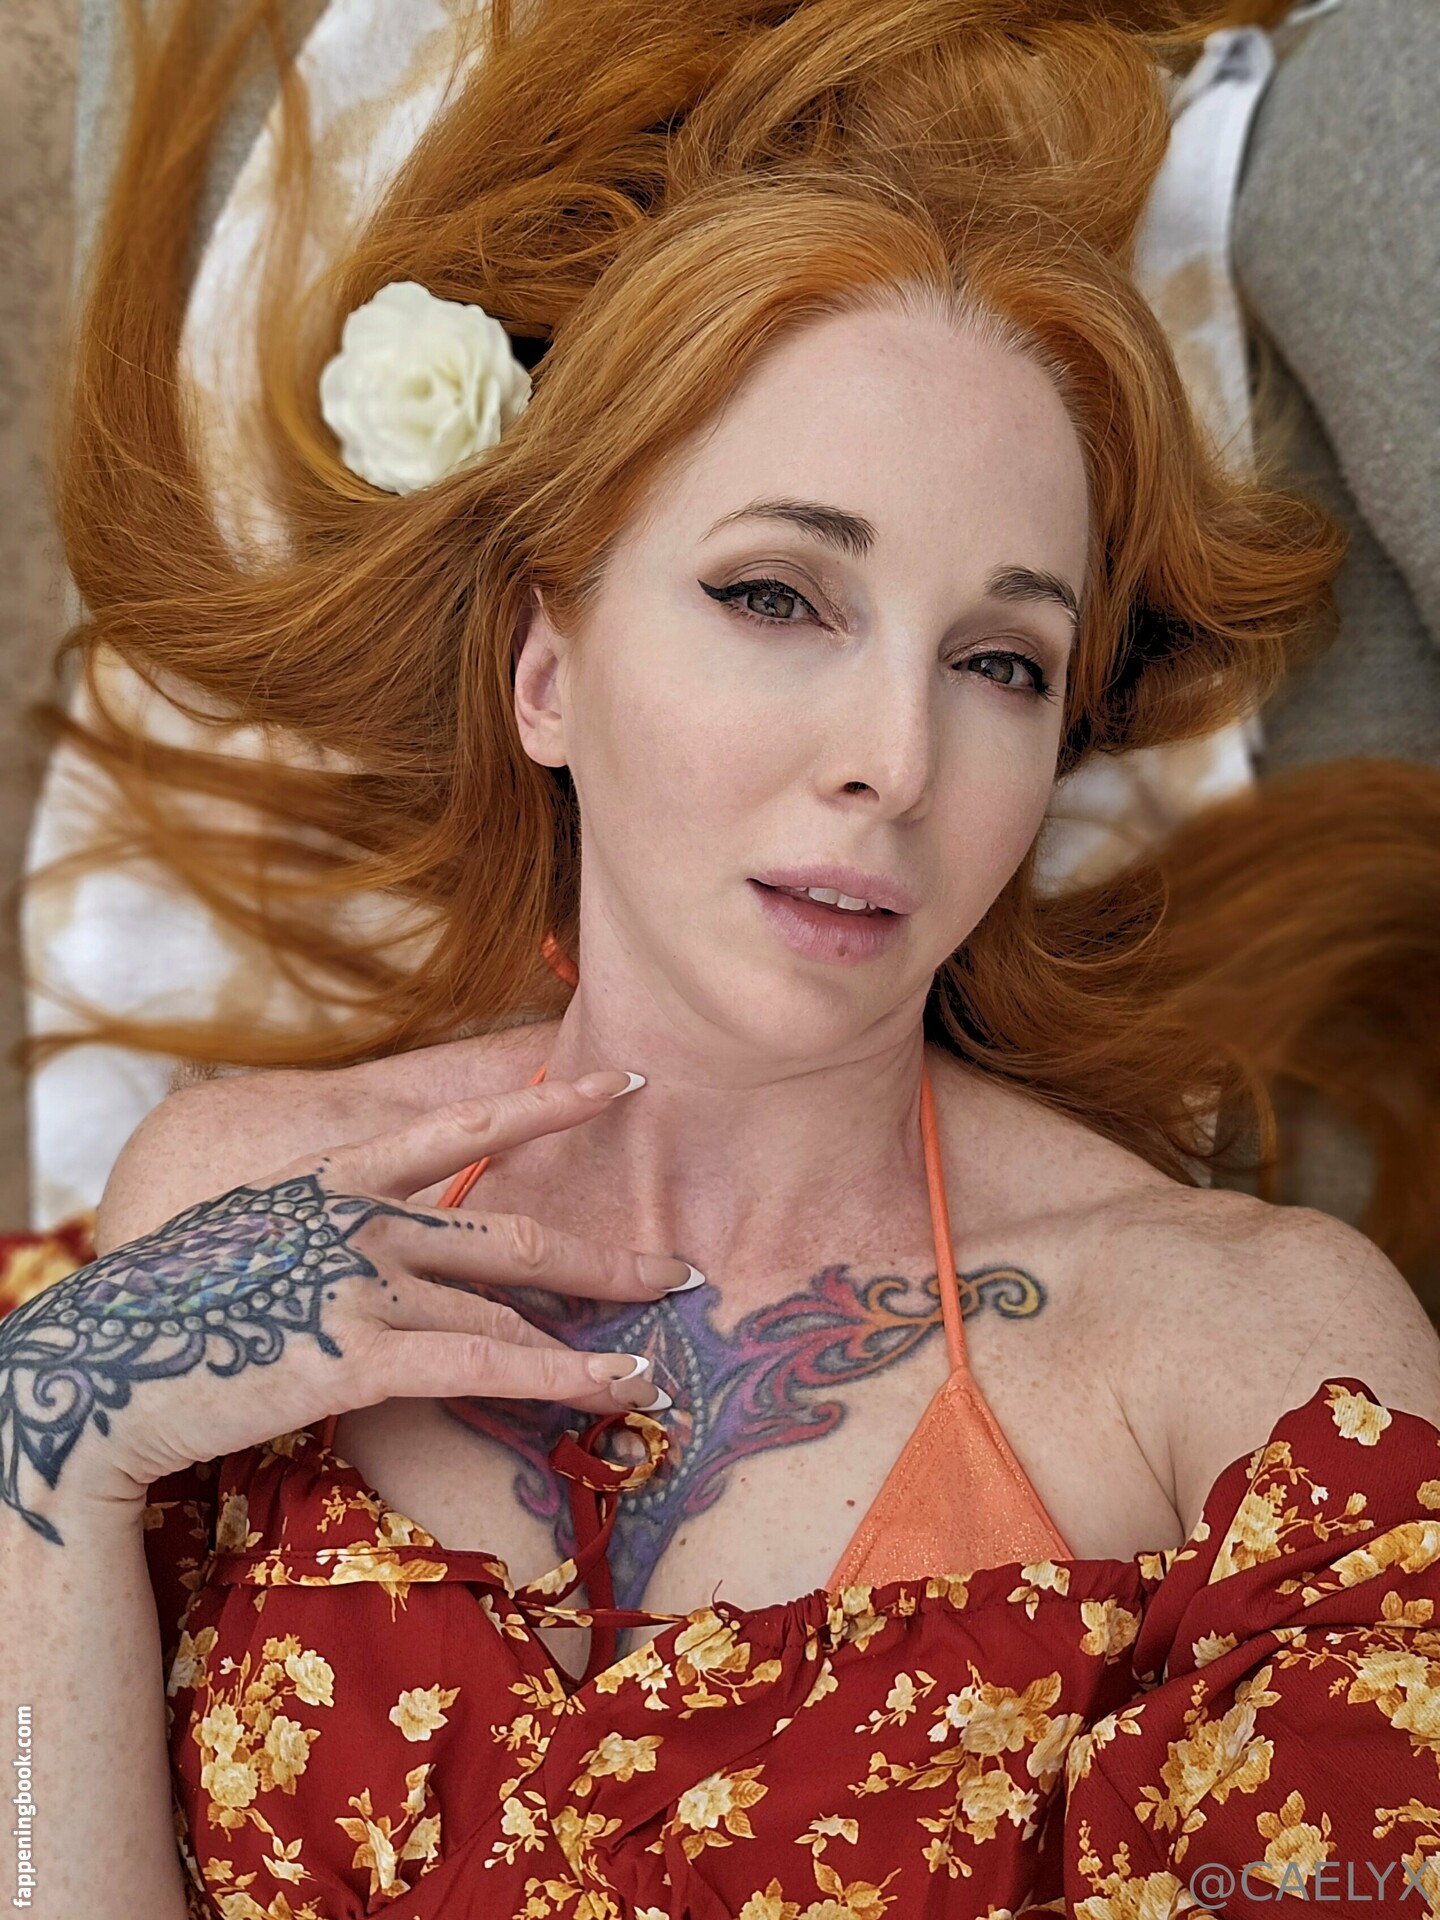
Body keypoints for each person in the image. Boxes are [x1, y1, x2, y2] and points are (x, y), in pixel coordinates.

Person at [5, 0, 1440, 1913]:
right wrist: (50, 1449)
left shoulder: (1256, 1361)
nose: (896, 759)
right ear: (547, 671)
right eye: (777, 594)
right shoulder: (217, 1215)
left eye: (1000, 661)